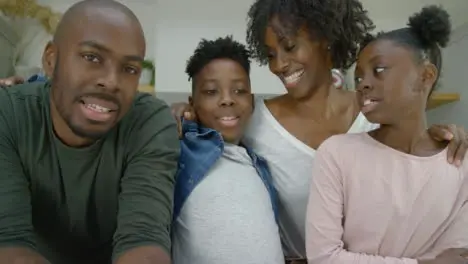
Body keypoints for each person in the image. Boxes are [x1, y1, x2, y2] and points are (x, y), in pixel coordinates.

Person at [170, 0, 468, 261]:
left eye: (289, 47)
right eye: (270, 54)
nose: (278, 66)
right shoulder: (256, 120)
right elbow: (218, 121)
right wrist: (185, 110)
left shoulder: (376, 112)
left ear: (324, 37)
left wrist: (446, 135)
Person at [0, 1, 179, 264]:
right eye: (92, 58)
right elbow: (9, 245)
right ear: (51, 60)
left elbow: (144, 241)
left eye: (129, 69)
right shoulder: (9, 114)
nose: (111, 81)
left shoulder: (149, 122)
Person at [306, 5, 468, 264]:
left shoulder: (459, 160)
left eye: (378, 70)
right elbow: (323, 258)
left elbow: (457, 257)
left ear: (425, 76)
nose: (363, 84)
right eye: (358, 78)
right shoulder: (336, 154)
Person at [171, 36, 284, 264]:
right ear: (192, 104)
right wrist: (169, 117)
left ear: (252, 101)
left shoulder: (259, 165)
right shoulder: (183, 150)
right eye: (212, 92)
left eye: (239, 91)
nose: (227, 100)